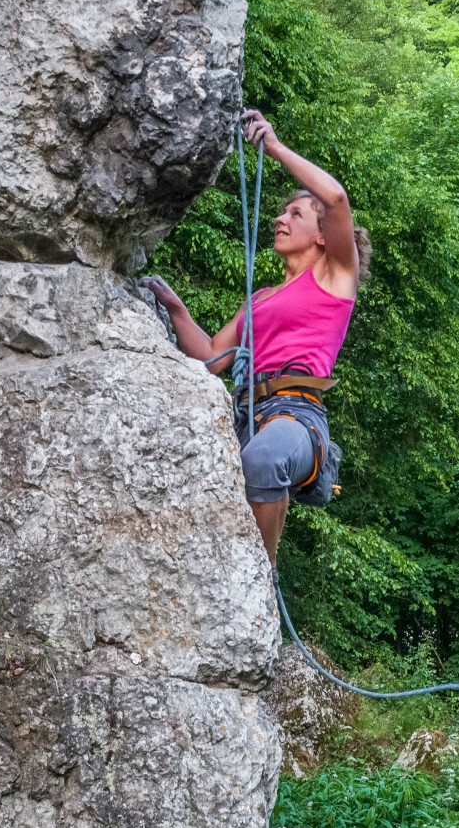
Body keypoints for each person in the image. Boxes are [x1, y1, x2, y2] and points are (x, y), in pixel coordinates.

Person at [141, 109, 369, 564]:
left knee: (264, 461)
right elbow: (211, 355)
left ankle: (260, 582)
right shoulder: (259, 297)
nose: (281, 220)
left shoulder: (334, 278)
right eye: (283, 212)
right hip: (244, 412)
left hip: (296, 414)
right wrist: (175, 308)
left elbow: (338, 199)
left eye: (296, 214)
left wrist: (276, 147)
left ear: (323, 237)